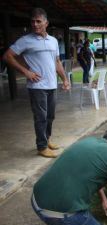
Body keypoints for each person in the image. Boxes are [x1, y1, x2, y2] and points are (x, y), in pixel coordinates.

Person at [31, 126, 107, 225]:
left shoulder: (88, 141)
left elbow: (95, 175)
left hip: (36, 198)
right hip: (58, 212)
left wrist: (104, 200)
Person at [3, 8, 70, 158]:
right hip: (37, 86)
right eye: (32, 21)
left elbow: (57, 62)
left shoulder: (53, 41)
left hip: (52, 85)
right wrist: (26, 72)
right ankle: (41, 146)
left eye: (38, 21)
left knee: (50, 116)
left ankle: (46, 139)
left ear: (46, 23)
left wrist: (65, 79)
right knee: (41, 117)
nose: (35, 24)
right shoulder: (25, 40)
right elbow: (8, 56)